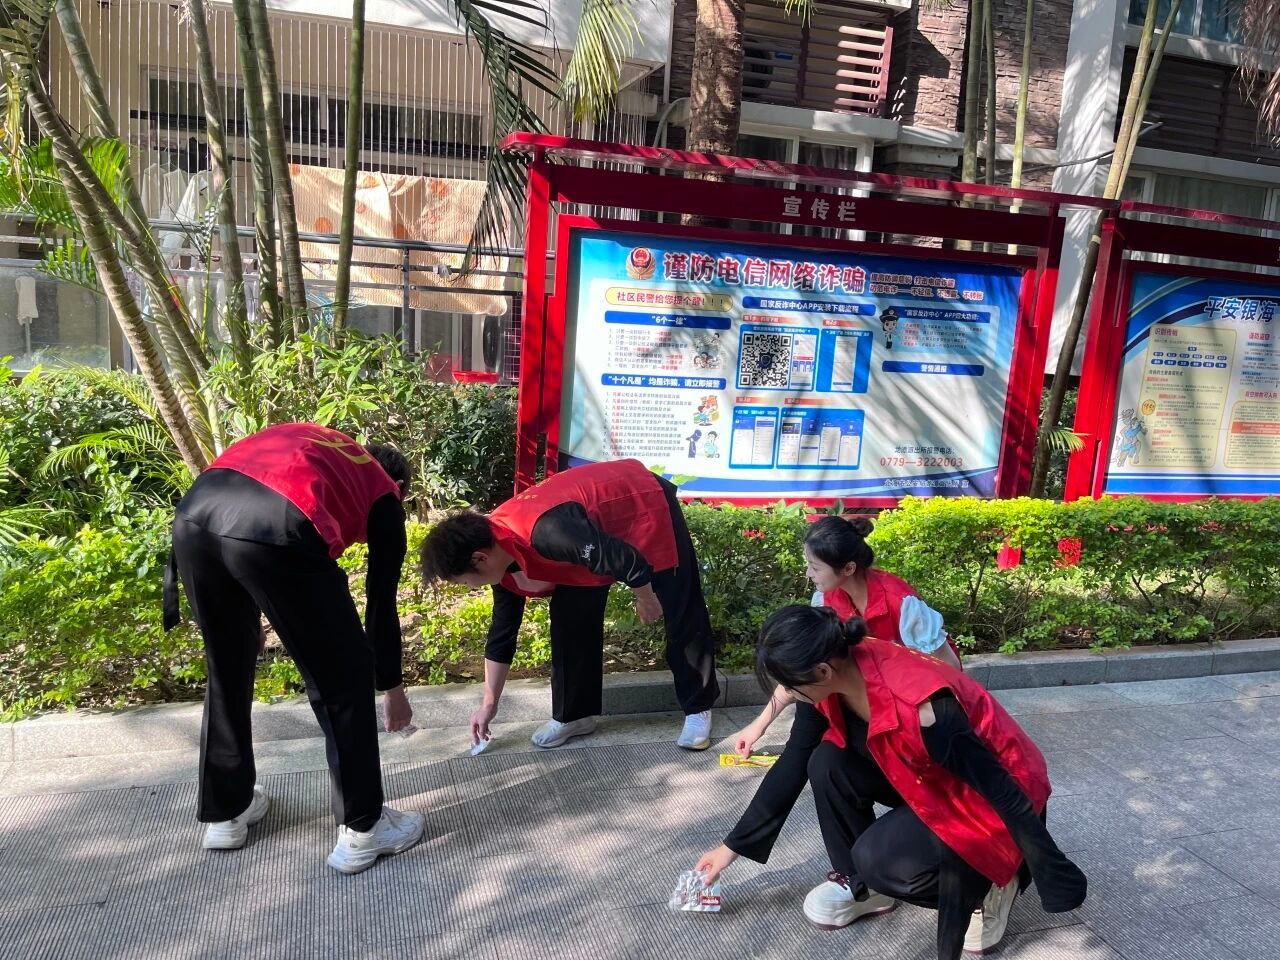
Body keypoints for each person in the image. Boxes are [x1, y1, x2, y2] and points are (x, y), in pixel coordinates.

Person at [709, 606, 1086, 959]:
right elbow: (793, 763)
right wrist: (729, 850)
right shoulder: (835, 666)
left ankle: (992, 882)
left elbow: (1003, 792)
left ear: (822, 672)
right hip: (928, 774)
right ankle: (864, 888)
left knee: (878, 860)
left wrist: (1046, 867)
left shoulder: (926, 710)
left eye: (790, 685)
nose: (787, 694)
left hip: (995, 788)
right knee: (826, 761)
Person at [164, 422, 424, 875]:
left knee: (227, 667)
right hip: (276, 527)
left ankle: (228, 812)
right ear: (398, 485)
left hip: (193, 519)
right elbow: (381, 603)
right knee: (343, 678)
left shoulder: (321, 446)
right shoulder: (383, 491)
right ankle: (364, 829)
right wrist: (391, 685)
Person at [698, 516, 964, 931]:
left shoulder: (903, 609)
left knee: (908, 840)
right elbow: (794, 751)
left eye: (814, 566)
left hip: (924, 744)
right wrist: (760, 724)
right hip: (872, 733)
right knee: (822, 761)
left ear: (848, 569)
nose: (808, 574)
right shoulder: (826, 619)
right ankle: (861, 883)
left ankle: (979, 887)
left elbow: (953, 683)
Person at [419, 458, 718, 750]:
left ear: (479, 559)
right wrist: (488, 704)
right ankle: (575, 716)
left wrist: (646, 597)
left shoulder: (547, 532)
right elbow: (503, 633)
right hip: (590, 534)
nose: (471, 588)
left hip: (640, 503)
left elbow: (624, 559)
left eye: (465, 582)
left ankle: (698, 708)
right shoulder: (498, 554)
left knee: (681, 608)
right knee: (571, 617)